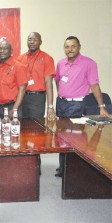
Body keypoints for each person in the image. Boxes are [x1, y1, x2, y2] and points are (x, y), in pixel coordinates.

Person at [54, 36, 110, 177]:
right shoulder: (61, 63)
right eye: (67, 47)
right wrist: (61, 96)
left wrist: (102, 107)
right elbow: (58, 81)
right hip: (61, 103)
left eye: (73, 46)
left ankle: (72, 170)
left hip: (77, 104)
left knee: (75, 138)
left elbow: (94, 85)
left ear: (79, 46)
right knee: (62, 136)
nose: (70, 49)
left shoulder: (88, 63)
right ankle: (62, 168)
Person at [17, 32, 56, 120]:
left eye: (35, 40)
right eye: (30, 39)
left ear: (40, 42)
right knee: (22, 126)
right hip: (22, 97)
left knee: (36, 126)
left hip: (37, 98)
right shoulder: (20, 59)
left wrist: (50, 106)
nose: (32, 42)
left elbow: (48, 82)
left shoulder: (47, 58)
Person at [0, 40, 27, 118]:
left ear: (11, 51)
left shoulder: (19, 67)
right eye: (0, 49)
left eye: (5, 49)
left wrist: (14, 109)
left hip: (11, 107)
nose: (2, 51)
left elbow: (22, 89)